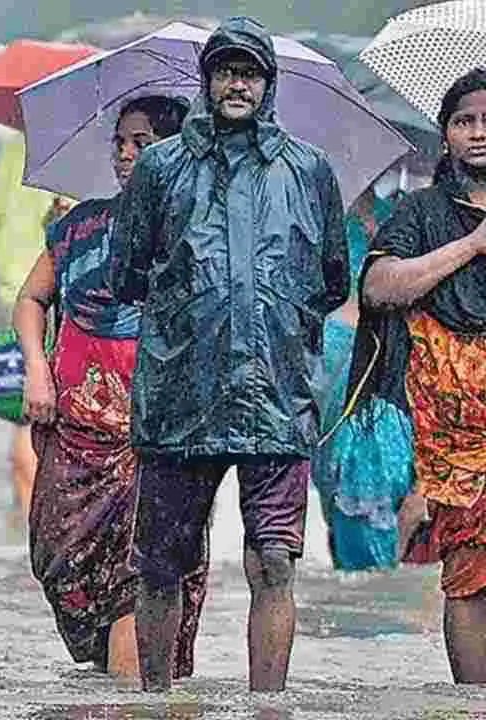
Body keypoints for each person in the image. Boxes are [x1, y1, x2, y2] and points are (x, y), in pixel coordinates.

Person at [108, 17, 350, 692]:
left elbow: (332, 278)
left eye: (249, 72)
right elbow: (125, 273)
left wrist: (276, 319)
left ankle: (266, 708)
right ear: (207, 81)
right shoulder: (160, 167)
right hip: (181, 395)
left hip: (276, 395)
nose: (236, 83)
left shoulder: (309, 171)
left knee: (274, 560)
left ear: (267, 85)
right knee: (160, 564)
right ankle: (155, 702)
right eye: (225, 71)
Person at [16, 95, 205, 680]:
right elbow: (31, 299)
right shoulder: (79, 225)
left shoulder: (198, 231)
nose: (126, 154)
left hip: (156, 429)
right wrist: (35, 368)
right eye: (120, 142)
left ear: (173, 152)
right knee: (58, 557)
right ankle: (113, 687)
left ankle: (129, 701)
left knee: (139, 569)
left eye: (142, 143)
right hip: (72, 424)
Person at [351, 68, 485, 684]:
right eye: (464, 121)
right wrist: (472, 245)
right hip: (455, 433)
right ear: (445, 136)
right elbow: (379, 288)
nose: (478, 133)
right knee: (468, 570)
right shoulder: (424, 212)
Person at [310, 176, 418, 573]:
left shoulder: (400, 215)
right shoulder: (323, 222)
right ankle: (357, 590)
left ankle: (380, 585)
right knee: (340, 471)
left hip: (389, 349)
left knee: (381, 466)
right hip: (337, 351)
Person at [0, 131, 75, 525]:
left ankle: (27, 514)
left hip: (16, 288)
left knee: (27, 405)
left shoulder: (16, 149)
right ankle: (45, 517)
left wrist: (6, 273)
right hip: (73, 293)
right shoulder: (99, 147)